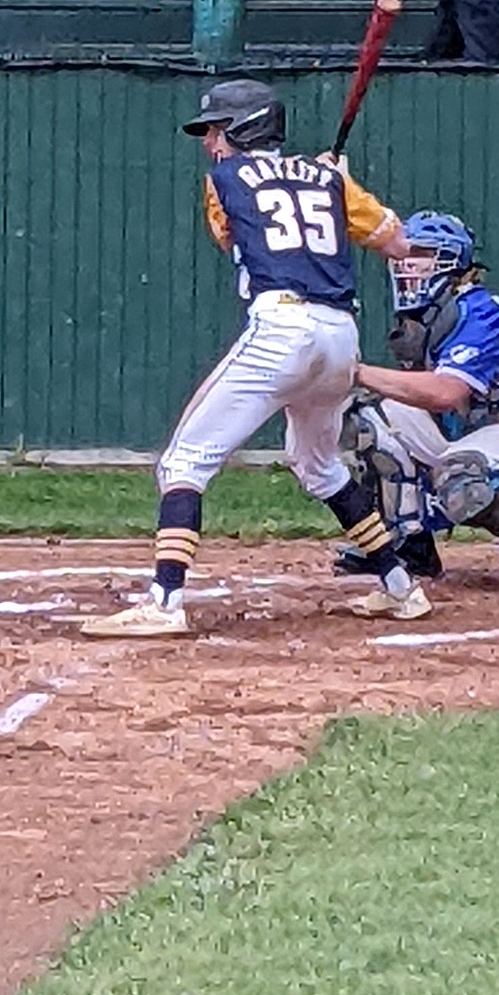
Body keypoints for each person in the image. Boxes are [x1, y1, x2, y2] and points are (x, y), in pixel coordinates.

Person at [79, 80, 432, 639]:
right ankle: (399, 587)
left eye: (217, 131)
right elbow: (396, 241)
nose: (210, 144)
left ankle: (164, 600)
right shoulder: (328, 180)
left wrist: (307, 184)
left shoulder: (223, 182)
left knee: (184, 463)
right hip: (341, 337)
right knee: (318, 465)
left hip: (283, 327)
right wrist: (337, 184)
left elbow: (232, 238)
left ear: (244, 130)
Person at [337, 211, 499, 589]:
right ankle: (409, 544)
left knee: (462, 475)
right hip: (480, 435)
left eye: (421, 254)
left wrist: (357, 372)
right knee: (366, 420)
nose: (407, 263)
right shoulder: (423, 317)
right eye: (405, 253)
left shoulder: (481, 311)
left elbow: (445, 393)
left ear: (451, 263)